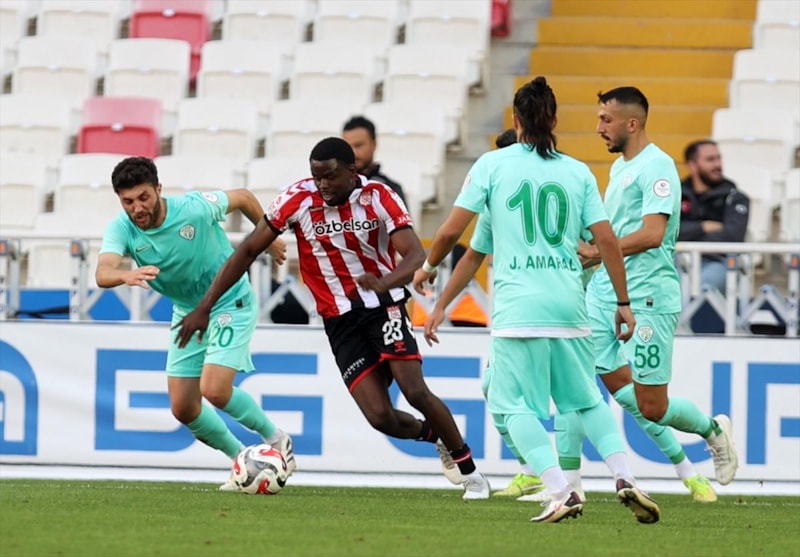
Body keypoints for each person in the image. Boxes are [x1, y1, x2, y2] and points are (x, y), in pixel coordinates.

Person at [174, 137, 491, 500]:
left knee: (414, 390)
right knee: (380, 417)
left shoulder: (379, 196)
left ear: (352, 171)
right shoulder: (297, 199)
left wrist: (384, 282)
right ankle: (437, 437)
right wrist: (205, 306)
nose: (322, 184)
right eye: (316, 177)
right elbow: (247, 250)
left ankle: (472, 474)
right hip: (339, 322)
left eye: (330, 176)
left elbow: (415, 255)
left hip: (383, 307)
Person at [414, 77, 660, 524]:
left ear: (516, 120)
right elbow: (606, 241)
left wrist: (428, 268)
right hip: (570, 305)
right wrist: (622, 302)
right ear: (555, 120)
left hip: (520, 309)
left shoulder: (493, 166)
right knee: (585, 401)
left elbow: (451, 232)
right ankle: (625, 477)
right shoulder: (577, 171)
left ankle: (561, 490)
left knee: (511, 406)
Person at [559, 88, 738, 501]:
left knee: (652, 406)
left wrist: (599, 251)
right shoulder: (620, 167)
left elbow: (653, 234)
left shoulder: (657, 167)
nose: (598, 127)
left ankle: (712, 430)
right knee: (580, 382)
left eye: (606, 119)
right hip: (604, 292)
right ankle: (565, 484)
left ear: (632, 123)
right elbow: (614, 230)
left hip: (647, 298)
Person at [95, 156, 295, 491]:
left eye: (143, 197)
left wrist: (269, 236)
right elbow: (102, 272)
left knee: (214, 389)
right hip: (189, 312)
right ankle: (243, 462)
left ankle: (276, 439)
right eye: (128, 201)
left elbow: (244, 196)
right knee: (184, 407)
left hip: (230, 301)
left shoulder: (193, 208)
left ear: (159, 189)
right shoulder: (122, 228)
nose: (137, 208)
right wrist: (124, 275)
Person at [678, 140, 750, 294]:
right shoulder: (675, 195)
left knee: (696, 289)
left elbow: (733, 237)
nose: (718, 164)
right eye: (710, 159)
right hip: (677, 260)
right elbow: (663, 233)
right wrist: (703, 227)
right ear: (692, 165)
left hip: (719, 261)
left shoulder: (735, 197)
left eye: (718, 158)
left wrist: (687, 237)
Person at [342, 115, 406, 204]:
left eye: (358, 145)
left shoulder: (390, 190)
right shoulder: (336, 187)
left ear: (374, 144)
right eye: (348, 147)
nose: (353, 152)